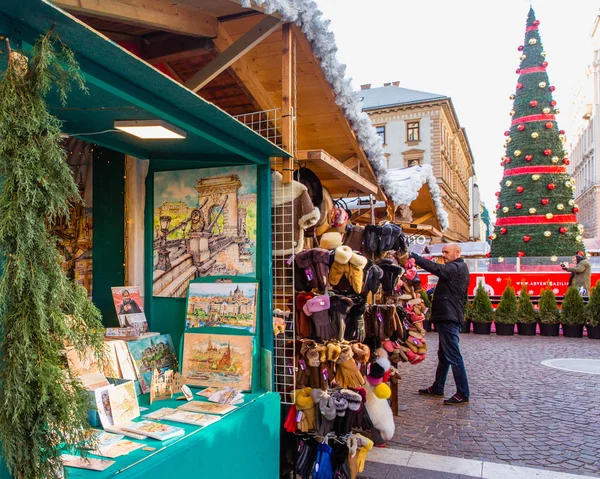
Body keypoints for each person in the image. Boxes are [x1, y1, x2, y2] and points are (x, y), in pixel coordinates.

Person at [410, 244, 470, 405]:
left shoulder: (457, 267)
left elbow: (436, 269)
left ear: (457, 253)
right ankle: (438, 387)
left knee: (453, 355)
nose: (444, 255)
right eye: (443, 252)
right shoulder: (455, 267)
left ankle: (463, 393)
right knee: (444, 355)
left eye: (447, 252)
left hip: (449, 317)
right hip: (447, 316)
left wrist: (414, 257)